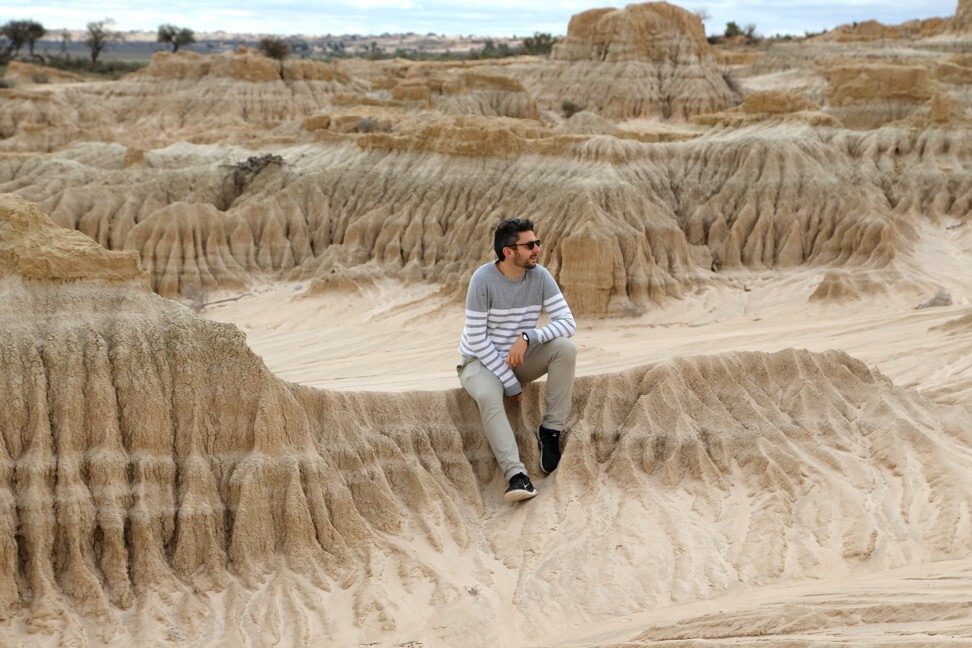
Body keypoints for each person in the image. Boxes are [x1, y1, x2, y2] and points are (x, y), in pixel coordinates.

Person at [458, 218, 577, 502]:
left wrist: (527, 336)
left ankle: (550, 431)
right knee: (488, 395)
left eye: (537, 243)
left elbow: (567, 323)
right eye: (529, 245)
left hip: (519, 357)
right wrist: (509, 382)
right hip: (480, 362)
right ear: (508, 251)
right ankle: (516, 476)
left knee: (565, 348)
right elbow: (476, 339)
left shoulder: (540, 276)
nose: (536, 249)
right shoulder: (483, 280)